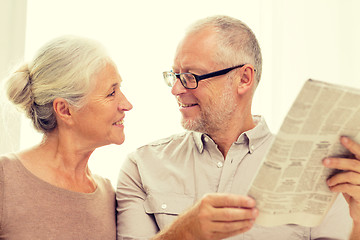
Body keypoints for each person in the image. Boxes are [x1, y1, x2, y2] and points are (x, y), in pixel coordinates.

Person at [116, 15, 360, 239]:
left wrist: (358, 221)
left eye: (191, 76)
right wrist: (185, 232)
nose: (176, 89)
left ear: (244, 79)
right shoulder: (141, 166)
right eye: (175, 75)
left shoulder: (317, 169)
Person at [0, 35, 132, 239]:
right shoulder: (4, 179)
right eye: (111, 93)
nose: (126, 105)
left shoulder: (108, 195)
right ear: (65, 110)